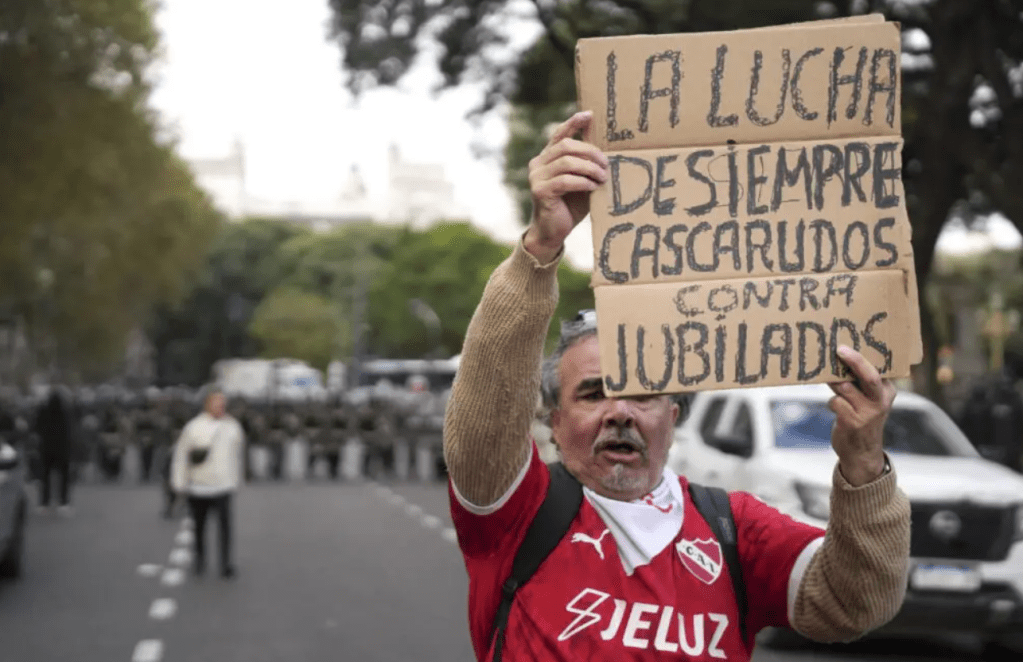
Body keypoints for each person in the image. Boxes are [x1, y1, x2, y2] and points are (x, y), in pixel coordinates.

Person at [442, 111, 912, 662]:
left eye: (642, 392)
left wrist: (863, 467)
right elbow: (487, 412)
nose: (619, 410)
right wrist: (539, 250)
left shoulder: (735, 528)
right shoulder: (517, 512)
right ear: (554, 421)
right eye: (592, 393)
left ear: (675, 413)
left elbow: (853, 606)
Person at [171, 387, 244, 578]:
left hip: (223, 485)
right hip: (199, 485)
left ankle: (225, 564)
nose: (220, 406)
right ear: (207, 404)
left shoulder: (232, 426)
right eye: (216, 402)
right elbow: (181, 456)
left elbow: (237, 455)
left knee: (225, 528)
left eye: (222, 403)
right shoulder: (194, 427)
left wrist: (236, 479)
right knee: (199, 527)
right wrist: (179, 482)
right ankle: (200, 560)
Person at [34, 389, 75, 516]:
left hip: (46, 448)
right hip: (62, 449)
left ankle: (44, 503)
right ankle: (63, 503)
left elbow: (36, 427)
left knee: (45, 477)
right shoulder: (65, 412)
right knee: (64, 478)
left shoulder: (43, 411)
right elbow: (70, 431)